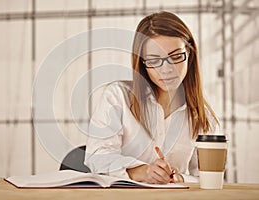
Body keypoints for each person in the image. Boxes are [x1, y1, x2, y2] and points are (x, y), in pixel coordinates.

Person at [84, 11, 219, 184]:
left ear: (190, 55)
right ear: (142, 63)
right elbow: (96, 157)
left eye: (176, 56)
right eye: (154, 60)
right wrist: (141, 172)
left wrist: (179, 178)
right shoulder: (118, 97)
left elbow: (207, 179)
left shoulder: (203, 117)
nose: (167, 69)